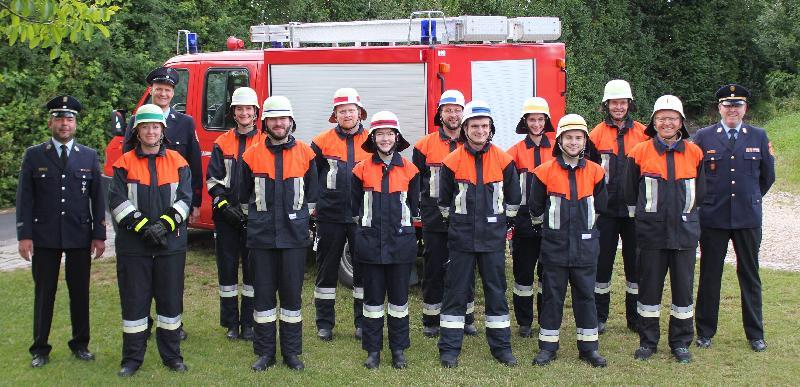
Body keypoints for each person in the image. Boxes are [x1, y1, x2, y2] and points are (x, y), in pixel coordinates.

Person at [16, 95, 106, 368]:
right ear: (50, 122)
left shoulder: (88, 156)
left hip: (79, 234)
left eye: (69, 119)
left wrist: (99, 234)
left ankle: (80, 344)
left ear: (76, 123)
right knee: (45, 292)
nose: (64, 124)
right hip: (44, 236)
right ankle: (40, 348)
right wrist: (24, 235)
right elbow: (24, 198)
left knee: (80, 292)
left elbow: (97, 198)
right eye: (59, 119)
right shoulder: (34, 155)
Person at [109, 104, 192, 376]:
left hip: (170, 246)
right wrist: (145, 227)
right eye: (145, 127)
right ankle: (132, 360)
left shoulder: (179, 162)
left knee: (170, 304)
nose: (151, 131)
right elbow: (117, 202)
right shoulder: (123, 163)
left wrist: (164, 226)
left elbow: (184, 201)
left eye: (156, 127)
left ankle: (172, 357)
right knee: (134, 304)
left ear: (163, 131)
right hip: (134, 247)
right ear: (137, 131)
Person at [437, 100, 521, 368]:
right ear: (465, 128)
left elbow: (513, 202)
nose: (480, 130)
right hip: (461, 240)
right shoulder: (451, 162)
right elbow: (444, 203)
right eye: (475, 126)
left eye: (485, 126)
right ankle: (449, 350)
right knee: (455, 293)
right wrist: (460, 225)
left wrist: (499, 226)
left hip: (492, 240)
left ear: (491, 128)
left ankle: (502, 348)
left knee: (496, 292)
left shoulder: (505, 161)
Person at [694, 84, 775, 352]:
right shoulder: (703, 137)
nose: (732, 110)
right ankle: (705, 331)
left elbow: (767, 176)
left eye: (737, 106)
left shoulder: (759, 136)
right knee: (710, 275)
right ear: (719, 108)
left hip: (747, 217)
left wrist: (750, 197)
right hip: (713, 216)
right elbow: (695, 176)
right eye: (727, 106)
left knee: (750, 276)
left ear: (745, 109)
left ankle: (755, 334)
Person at [240, 96, 318, 371]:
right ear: (265, 122)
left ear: (291, 121)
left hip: (293, 238)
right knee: (262, 298)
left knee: (292, 298)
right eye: (273, 119)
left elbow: (312, 196)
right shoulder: (250, 156)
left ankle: (292, 352)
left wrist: (302, 225)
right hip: (261, 238)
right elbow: (241, 195)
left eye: (283, 118)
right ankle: (264, 353)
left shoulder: (307, 154)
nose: (278, 123)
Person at [625, 95, 705, 363]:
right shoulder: (639, 152)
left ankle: (681, 342)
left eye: (672, 118)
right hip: (651, 235)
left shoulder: (695, 153)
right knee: (649, 291)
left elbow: (701, 194)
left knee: (683, 291)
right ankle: (648, 342)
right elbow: (629, 191)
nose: (667, 123)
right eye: (662, 119)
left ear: (681, 122)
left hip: (684, 235)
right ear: (654, 122)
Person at [123, 66, 200, 341]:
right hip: (141, 208)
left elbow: (192, 163)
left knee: (171, 278)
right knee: (139, 279)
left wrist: (195, 202)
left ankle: (173, 327)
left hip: (172, 213)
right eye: (159, 88)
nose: (163, 92)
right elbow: (125, 164)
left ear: (172, 92)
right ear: (152, 91)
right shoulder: (137, 119)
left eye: (168, 89)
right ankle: (141, 325)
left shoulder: (185, 122)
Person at [529, 114, 608, 368]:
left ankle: (589, 349)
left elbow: (600, 206)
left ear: (585, 141)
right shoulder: (543, 172)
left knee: (586, 297)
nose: (573, 142)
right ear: (559, 140)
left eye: (578, 137)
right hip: (555, 248)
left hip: (585, 248)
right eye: (568, 137)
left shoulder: (596, 172)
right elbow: (535, 209)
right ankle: (548, 348)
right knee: (552, 297)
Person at [352, 111, 420, 369]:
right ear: (373, 137)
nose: (385, 139)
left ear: (397, 137)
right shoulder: (360, 170)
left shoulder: (411, 170)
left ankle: (398, 350)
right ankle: (373, 351)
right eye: (380, 134)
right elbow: (354, 206)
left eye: (389, 134)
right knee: (372, 302)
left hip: (400, 245)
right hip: (370, 245)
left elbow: (415, 206)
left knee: (399, 302)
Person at [412, 90, 477, 339]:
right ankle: (431, 319)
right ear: (440, 113)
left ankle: (467, 317)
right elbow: (415, 179)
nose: (453, 114)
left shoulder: (471, 142)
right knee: (434, 267)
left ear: (463, 113)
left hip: (464, 217)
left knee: (465, 269)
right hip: (434, 219)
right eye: (448, 110)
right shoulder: (424, 145)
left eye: (457, 109)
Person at [310, 88, 370, 341]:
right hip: (330, 216)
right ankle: (325, 324)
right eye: (342, 110)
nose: (347, 114)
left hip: (362, 216)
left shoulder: (373, 139)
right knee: (326, 269)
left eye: (351, 110)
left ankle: (362, 323)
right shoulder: (321, 142)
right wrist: (313, 205)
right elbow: (311, 175)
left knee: (364, 271)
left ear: (359, 113)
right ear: (335, 114)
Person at [590, 80, 649, 334]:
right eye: (614, 103)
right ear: (606, 105)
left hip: (634, 212)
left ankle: (634, 318)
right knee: (601, 265)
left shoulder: (644, 133)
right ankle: (599, 316)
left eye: (622, 102)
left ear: (629, 104)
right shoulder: (594, 135)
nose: (618, 107)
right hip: (605, 212)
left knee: (635, 266)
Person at [206, 87, 264, 341]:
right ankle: (231, 324)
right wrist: (223, 206)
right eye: (239, 109)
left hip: (255, 219)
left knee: (253, 273)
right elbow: (212, 180)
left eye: (248, 109)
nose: (244, 113)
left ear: (255, 113)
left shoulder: (264, 142)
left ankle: (249, 324)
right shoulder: (222, 142)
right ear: (233, 112)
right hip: (227, 218)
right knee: (227, 272)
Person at [506, 97, 556, 338]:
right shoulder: (514, 152)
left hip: (552, 220)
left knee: (548, 274)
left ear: (546, 121)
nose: (536, 124)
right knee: (523, 275)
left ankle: (546, 318)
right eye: (532, 119)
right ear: (524, 122)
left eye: (540, 119)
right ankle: (524, 322)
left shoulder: (557, 148)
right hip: (524, 222)